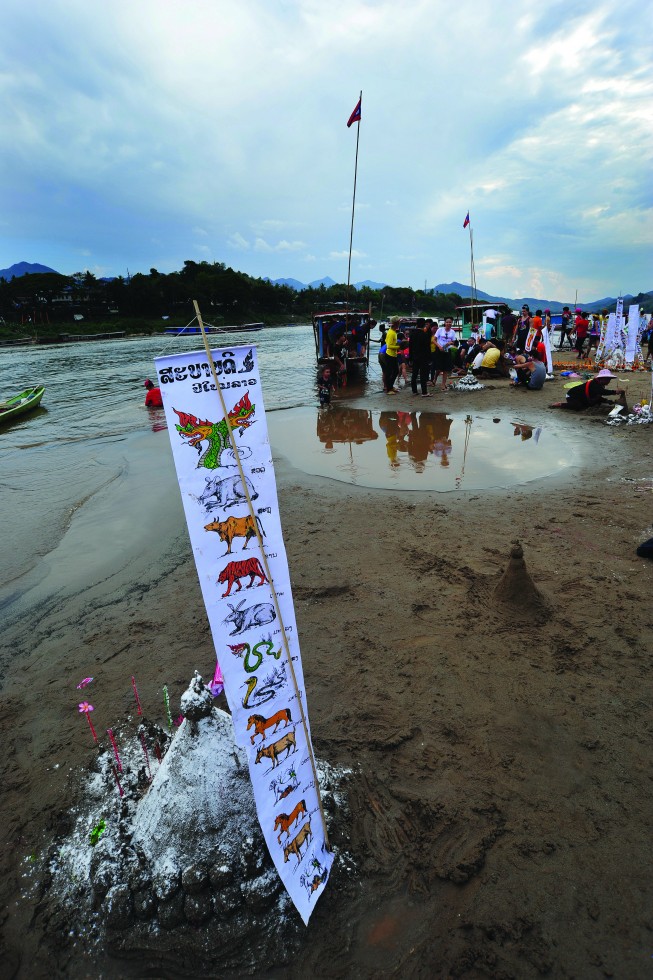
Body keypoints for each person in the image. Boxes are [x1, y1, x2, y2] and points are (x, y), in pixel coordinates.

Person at [549, 368, 627, 410]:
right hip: (572, 395)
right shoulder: (594, 384)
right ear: (601, 379)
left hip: (583, 396)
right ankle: (560, 404)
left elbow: (597, 395)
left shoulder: (599, 385)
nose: (608, 381)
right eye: (607, 379)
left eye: (609, 380)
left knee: (594, 402)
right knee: (579, 407)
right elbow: (602, 392)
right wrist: (615, 392)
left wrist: (606, 401)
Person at [432, 316, 457, 391]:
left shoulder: (452, 332)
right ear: (444, 323)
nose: (448, 323)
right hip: (439, 350)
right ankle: (435, 378)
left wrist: (450, 343)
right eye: (447, 322)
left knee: (446, 368)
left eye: (450, 322)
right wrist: (439, 346)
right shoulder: (440, 330)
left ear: (452, 323)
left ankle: (443, 384)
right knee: (439, 368)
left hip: (447, 351)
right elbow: (434, 340)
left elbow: (453, 341)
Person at [409, 319, 432, 396]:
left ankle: (414, 391)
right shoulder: (425, 334)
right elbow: (427, 347)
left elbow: (410, 347)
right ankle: (424, 392)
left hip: (415, 356)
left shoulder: (412, 334)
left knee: (414, 374)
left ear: (417, 324)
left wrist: (410, 358)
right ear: (424, 325)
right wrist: (429, 358)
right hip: (423, 357)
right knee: (423, 374)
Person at [383, 317, 400, 394]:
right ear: (395, 323)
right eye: (398, 322)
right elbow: (389, 346)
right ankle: (388, 389)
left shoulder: (393, 331)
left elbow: (387, 341)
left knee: (396, 371)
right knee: (389, 372)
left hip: (393, 355)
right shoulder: (391, 333)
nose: (399, 323)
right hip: (389, 355)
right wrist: (399, 347)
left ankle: (390, 386)